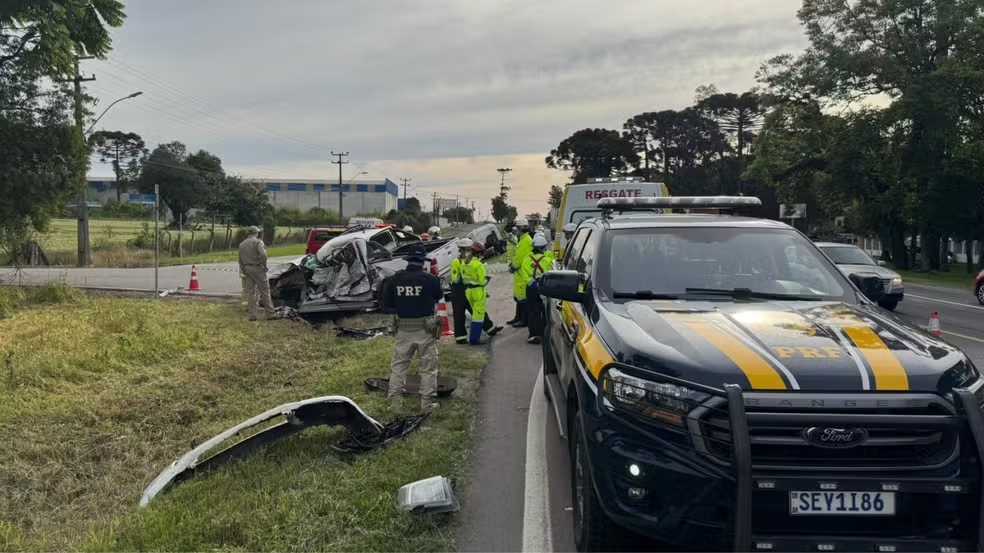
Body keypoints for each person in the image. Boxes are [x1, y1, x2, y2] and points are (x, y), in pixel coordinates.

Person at [380, 244, 444, 412]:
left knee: (399, 367)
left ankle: (395, 405)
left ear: (408, 260)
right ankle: (427, 405)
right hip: (425, 330)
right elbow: (439, 295)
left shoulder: (394, 279)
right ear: (423, 261)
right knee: (428, 369)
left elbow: (385, 305)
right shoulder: (430, 279)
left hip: (403, 330)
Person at [521, 234, 555, 344]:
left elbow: (524, 276)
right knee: (545, 311)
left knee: (533, 311)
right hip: (544, 288)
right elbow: (552, 275)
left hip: (531, 289)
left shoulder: (526, 261)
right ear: (543, 248)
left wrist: (533, 283)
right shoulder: (549, 260)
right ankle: (545, 333)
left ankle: (534, 334)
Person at [461, 241, 496, 345]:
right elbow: (482, 281)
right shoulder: (478, 265)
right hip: (478, 292)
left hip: (468, 291)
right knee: (478, 316)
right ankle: (474, 339)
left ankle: (479, 335)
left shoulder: (464, 263)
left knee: (476, 313)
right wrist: (488, 279)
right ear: (480, 253)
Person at [238, 226, 276, 321]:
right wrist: (264, 265)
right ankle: (270, 313)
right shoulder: (258, 242)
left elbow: (240, 260)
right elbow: (263, 254)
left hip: (247, 268)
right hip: (258, 268)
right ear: (256, 233)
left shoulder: (242, 244)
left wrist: (243, 270)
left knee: (251, 293)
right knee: (265, 291)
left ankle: (252, 315)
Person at [508, 218, 533, 327]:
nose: (516, 230)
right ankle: (518, 317)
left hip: (522, 273)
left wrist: (512, 267)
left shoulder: (525, 241)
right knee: (518, 297)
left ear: (521, 229)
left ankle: (524, 320)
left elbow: (519, 258)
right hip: (520, 274)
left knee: (522, 298)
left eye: (517, 228)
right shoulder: (523, 239)